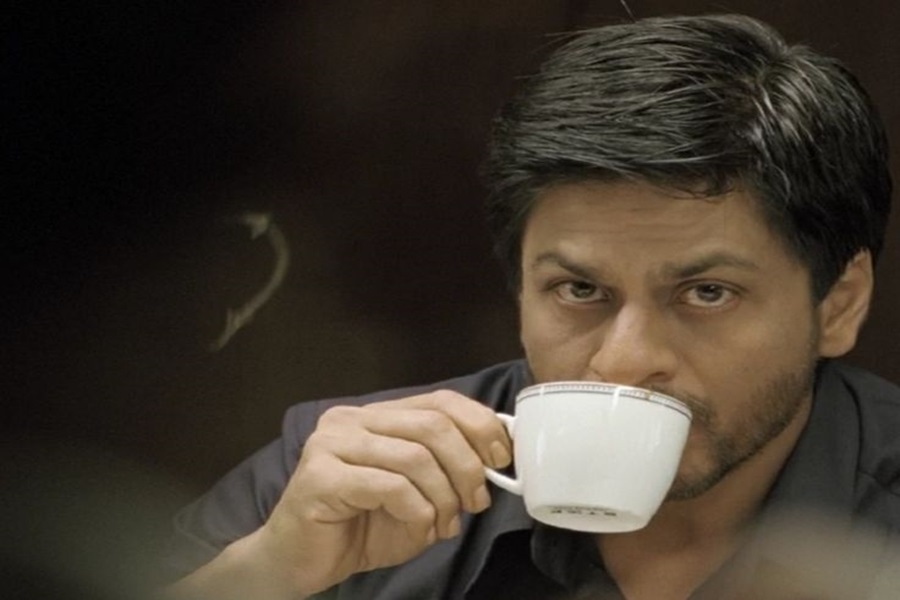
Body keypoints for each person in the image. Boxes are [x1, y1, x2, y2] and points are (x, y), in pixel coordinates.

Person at [161, 14, 899, 599]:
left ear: (839, 305)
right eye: (579, 290)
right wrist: (271, 571)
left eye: (707, 293)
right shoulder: (351, 478)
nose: (623, 362)